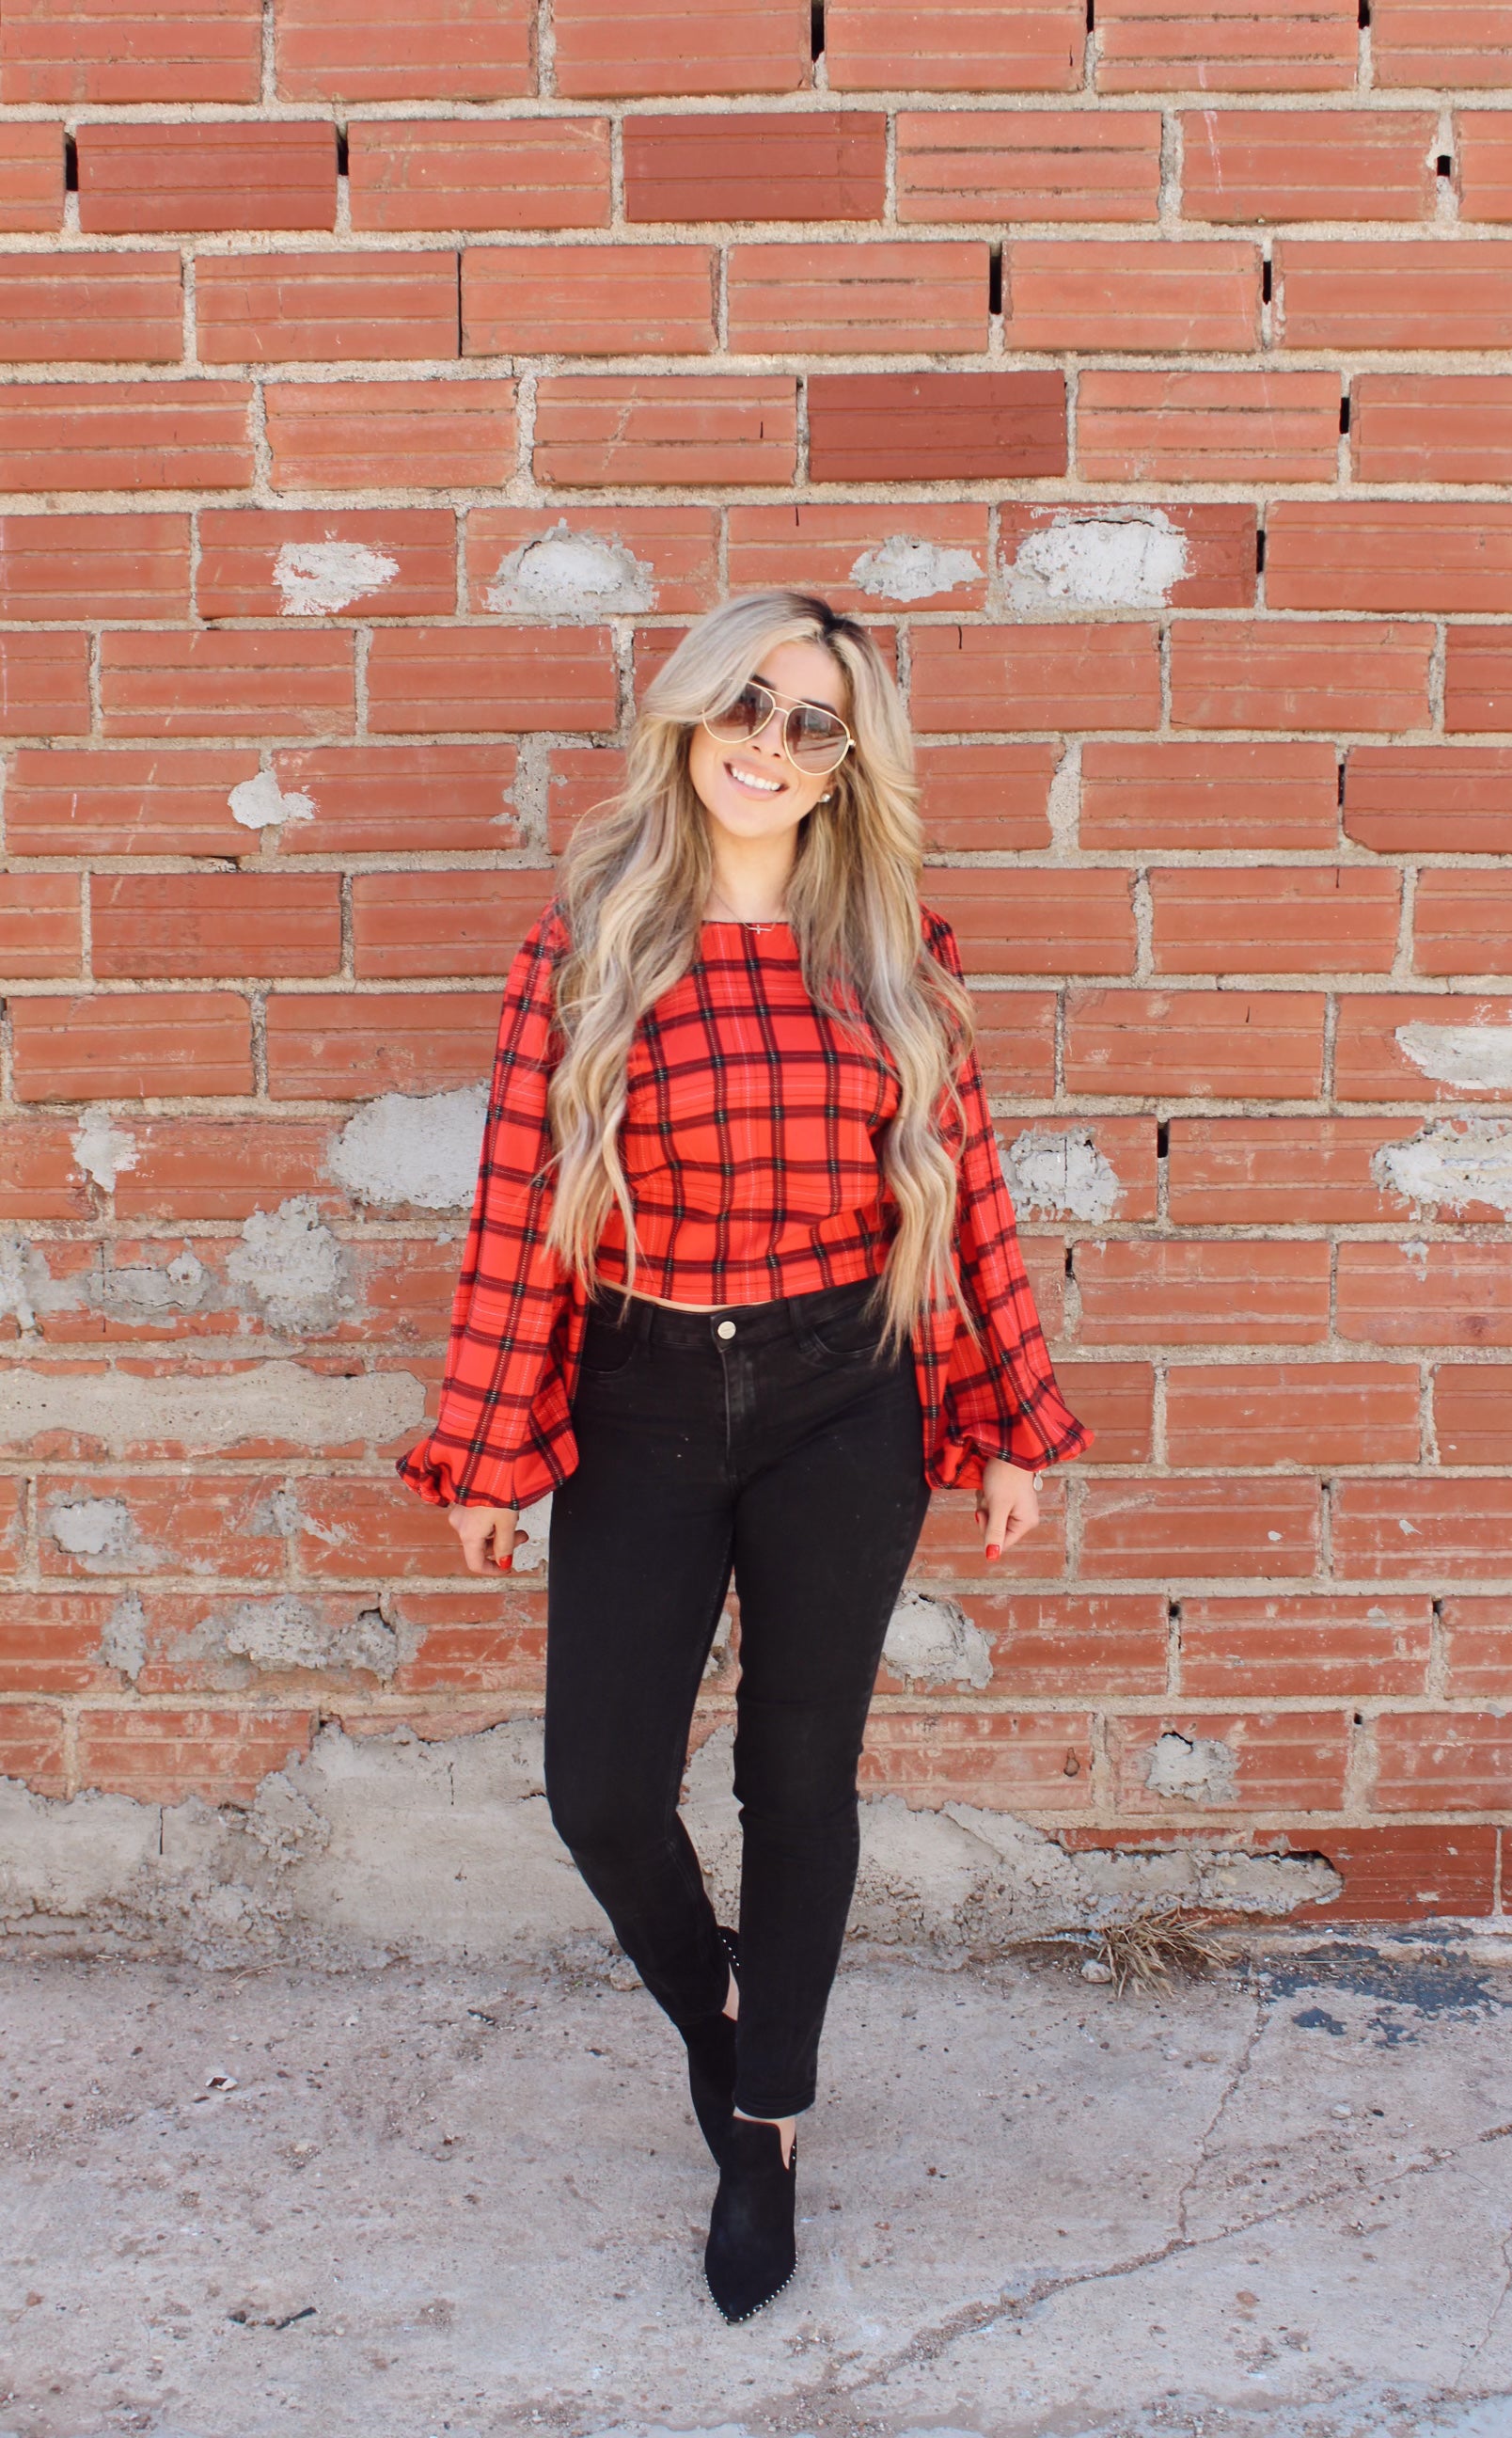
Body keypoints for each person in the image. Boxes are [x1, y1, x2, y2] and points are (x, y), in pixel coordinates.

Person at [398, 589, 1093, 2323]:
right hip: (639, 1389)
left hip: (843, 1394)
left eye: (812, 724)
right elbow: (518, 1215)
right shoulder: (588, 945)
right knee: (600, 1790)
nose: (769, 746)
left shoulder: (894, 951)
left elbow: (969, 1192)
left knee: (797, 1782)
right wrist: (487, 1447)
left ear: (848, 765)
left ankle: (765, 2121)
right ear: (690, 716)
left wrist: (1012, 1418)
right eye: (747, 706)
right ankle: (729, 2014)